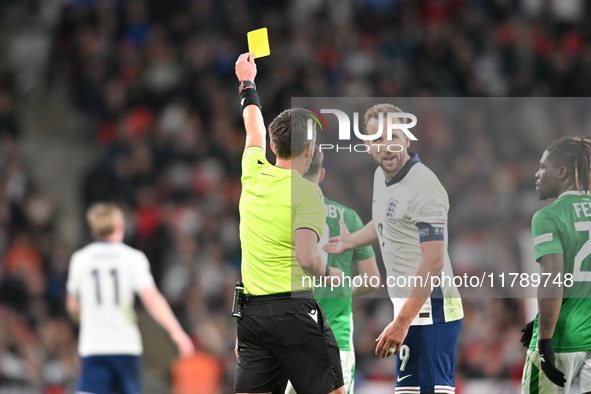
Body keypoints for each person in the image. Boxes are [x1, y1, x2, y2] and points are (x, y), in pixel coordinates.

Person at [324, 103, 463, 394]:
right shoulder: (382, 177)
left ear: (407, 139)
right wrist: (352, 240)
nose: (387, 147)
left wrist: (401, 322)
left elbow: (434, 261)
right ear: (366, 144)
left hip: (433, 309)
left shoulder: (424, 187)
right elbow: (387, 220)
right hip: (409, 308)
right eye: (378, 140)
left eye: (394, 138)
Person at [234, 52, 345, 394]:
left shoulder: (252, 171)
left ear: (272, 144)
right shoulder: (308, 193)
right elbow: (307, 258)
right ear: (309, 149)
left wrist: (247, 82)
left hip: (251, 316)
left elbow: (252, 124)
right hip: (295, 312)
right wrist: (331, 274)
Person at [66, 202, 194, 394]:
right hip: (125, 344)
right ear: (120, 226)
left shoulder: (80, 259)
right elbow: (152, 299)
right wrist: (177, 333)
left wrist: (90, 319)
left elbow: (73, 306)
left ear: (93, 229)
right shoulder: (133, 258)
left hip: (93, 345)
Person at [284, 148, 380, 394]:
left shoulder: (282, 215)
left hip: (286, 338)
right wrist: (339, 287)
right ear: (322, 175)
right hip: (335, 339)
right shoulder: (349, 218)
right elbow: (372, 280)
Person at [520, 136, 591, 393]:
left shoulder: (549, 215)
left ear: (562, 172)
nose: (537, 174)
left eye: (543, 167)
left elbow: (553, 279)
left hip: (563, 337)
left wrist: (545, 338)